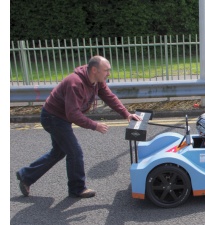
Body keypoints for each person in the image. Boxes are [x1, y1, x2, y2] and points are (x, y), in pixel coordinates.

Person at [16, 55, 142, 198]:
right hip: (53, 118)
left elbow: (109, 96)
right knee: (75, 152)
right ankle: (77, 188)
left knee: (59, 152)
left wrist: (126, 114)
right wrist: (95, 125)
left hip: (60, 117)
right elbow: (73, 114)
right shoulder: (75, 83)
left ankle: (25, 176)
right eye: (106, 70)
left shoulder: (96, 81)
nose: (109, 74)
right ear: (94, 70)